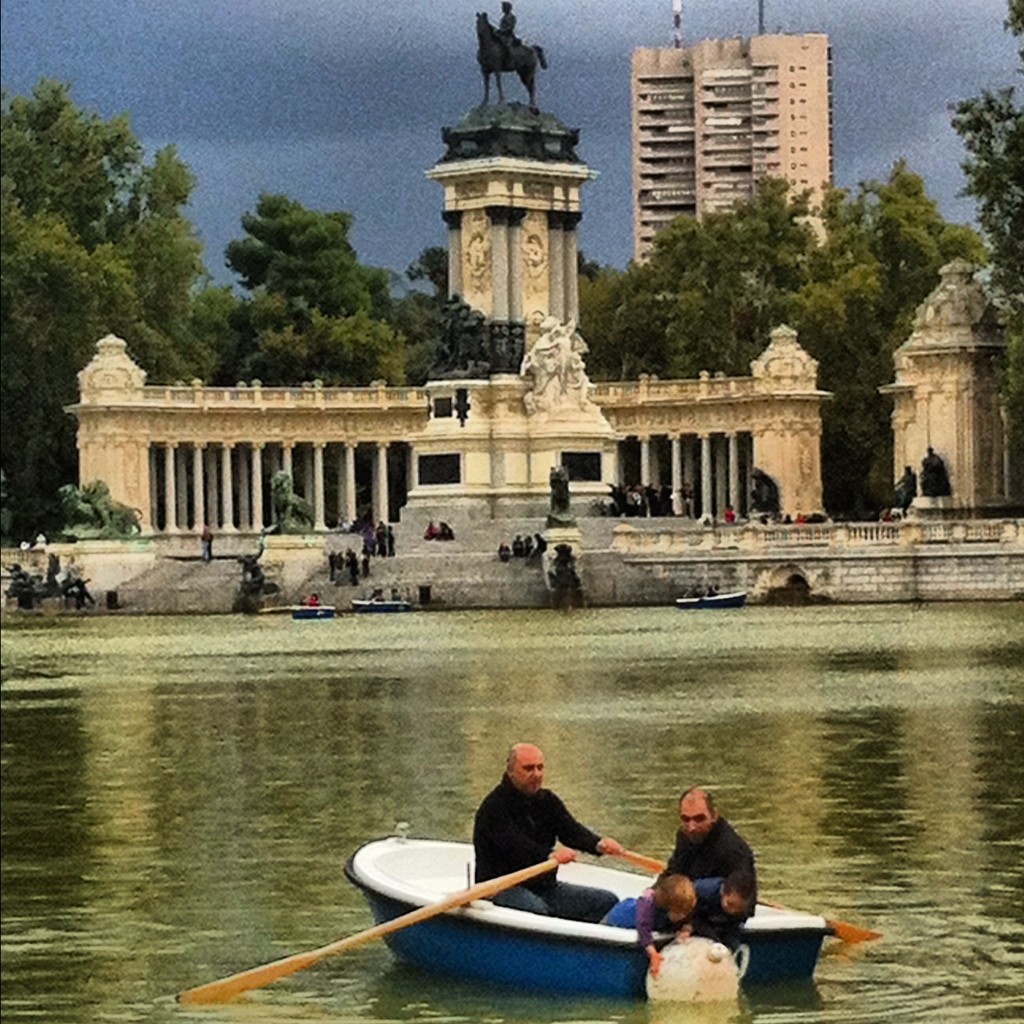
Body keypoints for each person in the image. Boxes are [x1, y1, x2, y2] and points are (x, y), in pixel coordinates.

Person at [473, 742, 625, 922]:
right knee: (537, 911)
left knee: (606, 901)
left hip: (545, 887)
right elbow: (515, 845)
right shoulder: (494, 808)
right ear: (511, 771)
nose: (536, 774)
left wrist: (599, 844)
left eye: (540, 768)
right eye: (528, 768)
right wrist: (549, 855)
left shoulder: (548, 801)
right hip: (500, 888)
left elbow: (571, 830)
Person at [665, 787, 757, 906]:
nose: (691, 827)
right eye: (685, 819)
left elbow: (745, 903)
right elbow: (674, 871)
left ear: (714, 816)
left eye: (699, 819)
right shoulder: (684, 836)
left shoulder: (732, 849)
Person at [603, 872, 697, 978]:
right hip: (619, 920)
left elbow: (689, 921)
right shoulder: (647, 904)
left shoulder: (683, 909)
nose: (681, 917)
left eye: (684, 913)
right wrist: (652, 953)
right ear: (665, 906)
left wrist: (686, 930)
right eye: (677, 913)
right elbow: (643, 929)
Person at [688, 869, 757, 953]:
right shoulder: (700, 892)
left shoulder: (744, 909)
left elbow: (734, 929)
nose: (733, 911)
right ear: (723, 891)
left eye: (739, 908)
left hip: (723, 929)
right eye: (730, 904)